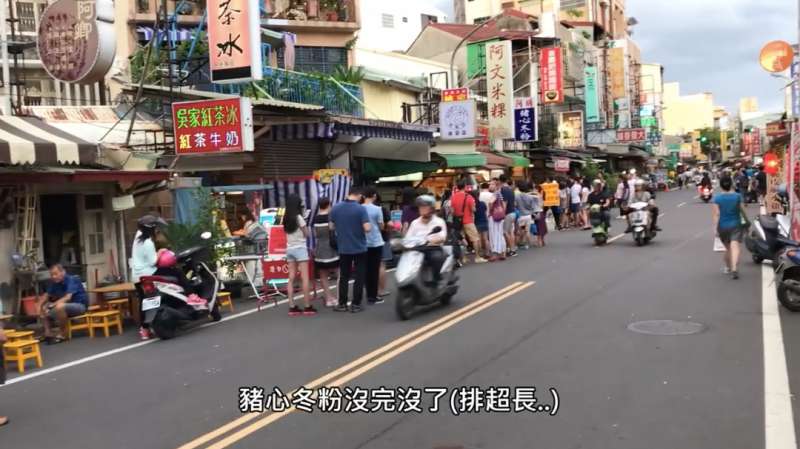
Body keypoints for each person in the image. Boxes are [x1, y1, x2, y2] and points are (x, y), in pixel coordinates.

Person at [330, 187, 372, 313]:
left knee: (344, 276)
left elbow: (331, 226)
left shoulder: (336, 208)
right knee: (359, 275)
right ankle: (356, 304)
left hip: (343, 247)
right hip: (359, 247)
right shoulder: (361, 209)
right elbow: (367, 228)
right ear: (359, 195)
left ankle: (342, 303)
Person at [130, 214, 164, 340]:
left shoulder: (137, 237)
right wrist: (160, 252)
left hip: (137, 276)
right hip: (149, 275)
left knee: (143, 301)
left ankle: (144, 329)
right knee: (155, 298)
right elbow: (153, 261)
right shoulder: (148, 243)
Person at [282, 194, 316, 316]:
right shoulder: (299, 218)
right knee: (304, 277)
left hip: (289, 249)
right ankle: (307, 306)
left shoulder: (285, 218)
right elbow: (307, 234)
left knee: (291, 278)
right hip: (300, 249)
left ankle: (292, 306)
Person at [40, 264, 89, 344]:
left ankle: (63, 334)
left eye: (56, 274)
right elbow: (46, 295)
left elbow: (67, 297)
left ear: (63, 272)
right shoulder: (54, 283)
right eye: (52, 275)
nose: (54, 277)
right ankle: (47, 333)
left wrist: (53, 305)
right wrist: (40, 306)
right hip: (66, 307)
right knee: (44, 307)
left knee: (59, 306)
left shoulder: (72, 279)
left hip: (79, 306)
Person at [406, 195, 448, 282]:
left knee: (436, 257)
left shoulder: (439, 221)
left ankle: (436, 280)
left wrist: (431, 240)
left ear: (432, 208)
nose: (422, 209)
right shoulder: (415, 223)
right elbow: (408, 238)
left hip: (433, 248)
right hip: (418, 249)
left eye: (425, 206)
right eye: (420, 206)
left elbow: (442, 237)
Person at [713, 176, 748, 279]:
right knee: (735, 246)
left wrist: (715, 229)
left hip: (722, 226)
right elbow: (743, 211)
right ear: (731, 184)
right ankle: (734, 268)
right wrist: (746, 223)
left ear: (721, 186)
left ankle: (728, 267)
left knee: (728, 248)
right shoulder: (737, 196)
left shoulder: (717, 198)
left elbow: (716, 214)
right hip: (736, 225)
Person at [451, 180, 486, 263]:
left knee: (462, 239)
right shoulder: (469, 197)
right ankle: (477, 257)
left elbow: (452, 211)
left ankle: (464, 258)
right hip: (468, 220)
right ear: (465, 187)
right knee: (475, 239)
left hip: (458, 222)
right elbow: (473, 209)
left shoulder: (453, 197)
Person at [313, 197, 339, 307]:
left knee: (323, 275)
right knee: (339, 273)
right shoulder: (331, 217)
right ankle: (340, 297)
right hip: (332, 248)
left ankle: (328, 299)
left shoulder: (315, 219)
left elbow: (315, 235)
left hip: (320, 249)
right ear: (329, 205)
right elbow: (335, 231)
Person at [363, 187, 386, 305]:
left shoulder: (359, 208)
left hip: (363, 242)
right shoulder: (377, 209)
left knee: (366, 269)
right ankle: (373, 295)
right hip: (376, 242)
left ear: (363, 196)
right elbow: (381, 226)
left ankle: (368, 294)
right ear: (374, 196)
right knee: (375, 269)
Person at [487, 182, 507, 261]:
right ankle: (503, 252)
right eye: (490, 184)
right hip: (500, 215)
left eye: (492, 184)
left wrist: (490, 210)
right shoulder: (499, 194)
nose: (490, 186)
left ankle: (495, 253)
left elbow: (490, 202)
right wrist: (502, 212)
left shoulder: (495, 194)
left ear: (496, 186)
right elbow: (503, 205)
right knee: (500, 234)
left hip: (494, 216)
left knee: (494, 234)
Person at [499, 175, 517, 257]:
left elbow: (504, 203)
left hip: (508, 213)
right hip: (513, 212)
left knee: (505, 232)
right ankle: (513, 248)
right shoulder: (511, 189)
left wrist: (502, 213)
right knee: (510, 232)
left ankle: (511, 250)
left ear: (500, 181)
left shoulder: (503, 189)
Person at [515, 181, 535, 249]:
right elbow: (532, 207)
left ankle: (518, 244)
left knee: (521, 230)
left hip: (520, 216)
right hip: (528, 216)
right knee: (527, 231)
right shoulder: (530, 197)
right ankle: (528, 244)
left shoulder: (517, 196)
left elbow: (515, 205)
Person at [472, 189, 490, 259]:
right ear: (479, 195)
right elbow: (485, 213)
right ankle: (487, 253)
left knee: (479, 239)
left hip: (477, 222)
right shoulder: (483, 203)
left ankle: (481, 253)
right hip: (484, 221)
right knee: (486, 239)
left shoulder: (473, 205)